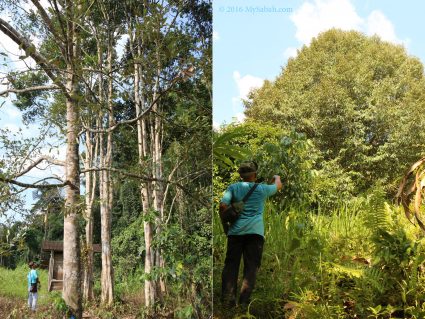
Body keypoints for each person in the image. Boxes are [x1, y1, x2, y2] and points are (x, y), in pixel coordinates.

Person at [219, 161, 282, 307]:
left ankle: (228, 301)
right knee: (251, 267)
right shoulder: (262, 189)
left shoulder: (233, 187)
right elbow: (278, 186)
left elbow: (222, 206)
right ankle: (243, 303)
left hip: (235, 233)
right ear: (255, 174)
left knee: (231, 266)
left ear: (241, 175)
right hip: (255, 234)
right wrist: (276, 177)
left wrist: (227, 221)